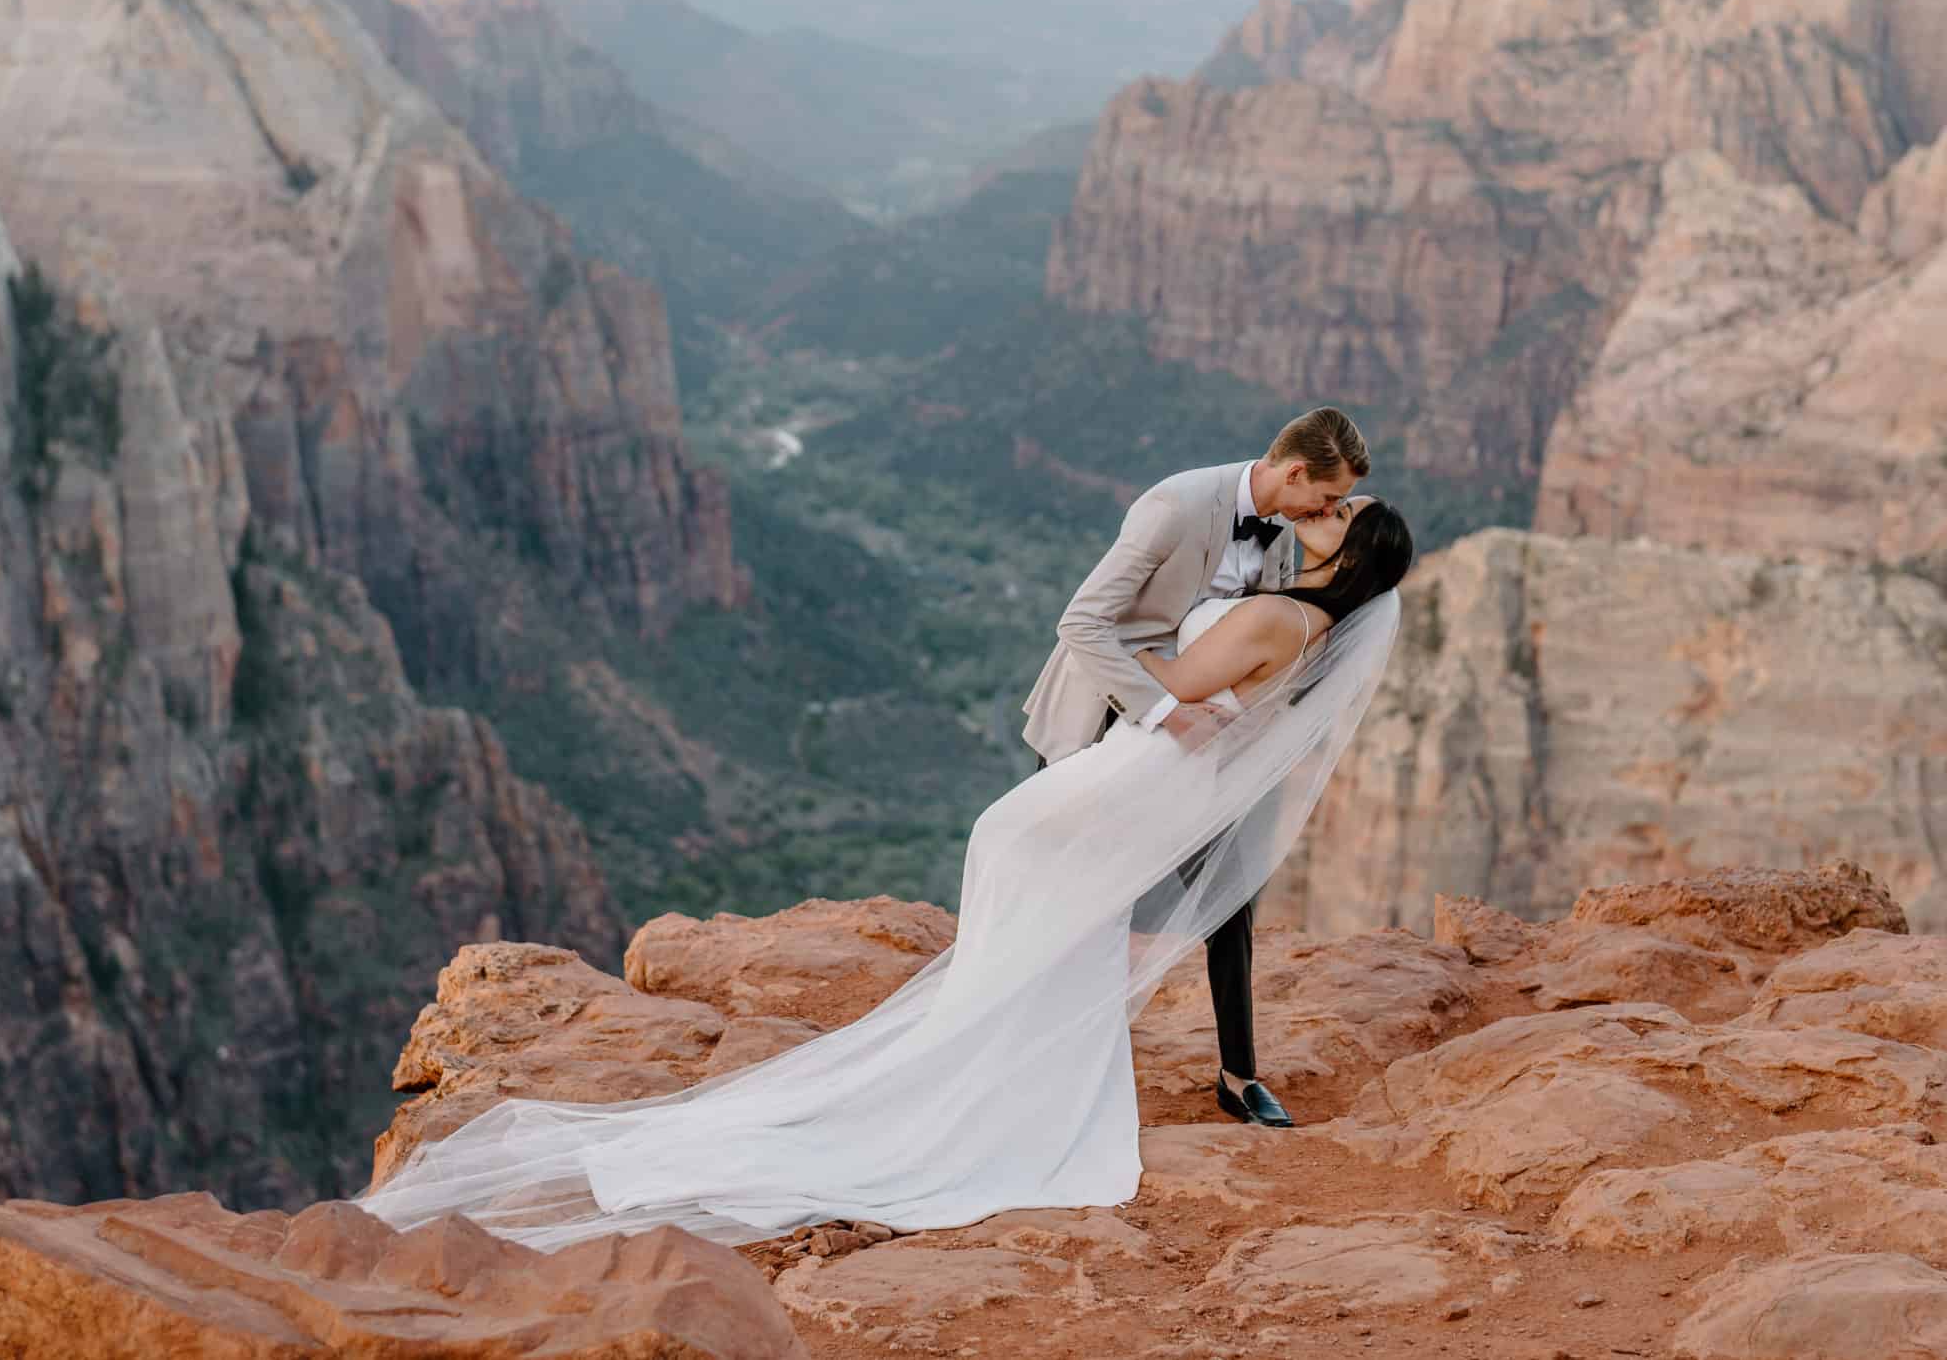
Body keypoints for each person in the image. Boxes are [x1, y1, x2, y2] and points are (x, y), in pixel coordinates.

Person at [357, 478, 1412, 1253]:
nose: (1326, 509)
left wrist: (1126, 634)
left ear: (1346, 550)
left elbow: (1177, 678)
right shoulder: (1306, 619)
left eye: (1340, 515)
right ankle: (997, 1062)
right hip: (1148, 776)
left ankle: (974, 1075)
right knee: (1052, 908)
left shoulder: (1276, 609)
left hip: (1134, 771)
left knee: (1008, 850)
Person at [1021, 407, 1371, 1127]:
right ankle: (1056, 1063)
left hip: (1195, 749)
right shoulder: (1175, 506)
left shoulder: (1282, 535)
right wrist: (1165, 711)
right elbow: (1081, 622)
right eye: (1328, 499)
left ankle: (1239, 1076)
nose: (1329, 512)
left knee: (1230, 893)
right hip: (1104, 724)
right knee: (1087, 900)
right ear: (1295, 471)